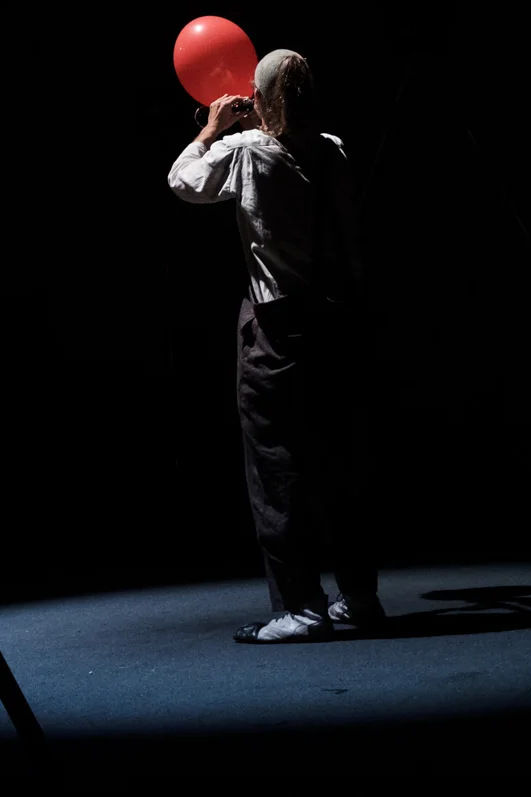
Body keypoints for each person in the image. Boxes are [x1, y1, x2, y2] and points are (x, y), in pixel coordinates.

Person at [167, 48, 386, 643]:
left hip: (279, 328)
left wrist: (213, 129)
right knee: (342, 461)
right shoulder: (335, 148)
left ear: (261, 100)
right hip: (340, 323)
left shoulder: (246, 151)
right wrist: (258, 120)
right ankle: (359, 598)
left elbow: (184, 181)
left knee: (276, 465)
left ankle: (302, 607)